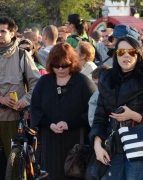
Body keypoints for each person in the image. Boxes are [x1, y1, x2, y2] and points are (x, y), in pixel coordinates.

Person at [90, 36, 143, 179]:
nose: (126, 55)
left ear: (138, 54)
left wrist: (135, 116)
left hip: (141, 147)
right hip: (112, 147)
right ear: (116, 54)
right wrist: (97, 144)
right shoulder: (106, 78)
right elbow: (100, 116)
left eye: (131, 52)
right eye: (122, 52)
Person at [0, 16, 41, 180]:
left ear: (12, 33)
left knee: (15, 166)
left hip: (14, 119)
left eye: (3, 31)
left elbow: (37, 85)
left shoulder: (23, 56)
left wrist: (23, 102)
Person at [30, 43, 96, 180]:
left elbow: (94, 111)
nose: (60, 69)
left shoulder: (83, 82)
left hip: (75, 141)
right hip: (50, 141)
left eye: (65, 65)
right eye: (56, 65)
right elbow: (35, 108)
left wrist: (70, 124)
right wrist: (49, 124)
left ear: (72, 63)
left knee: (73, 175)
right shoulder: (44, 82)